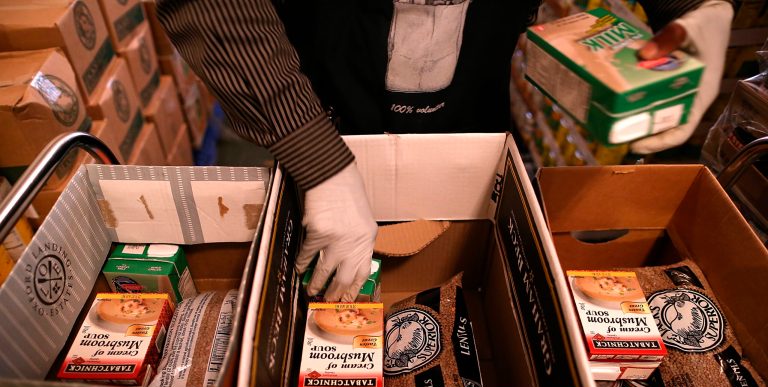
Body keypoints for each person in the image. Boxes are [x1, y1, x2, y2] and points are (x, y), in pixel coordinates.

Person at [156, 0, 734, 301]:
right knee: (316, 246)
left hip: (475, 91)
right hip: (314, 76)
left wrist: (699, 7)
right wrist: (315, 157)